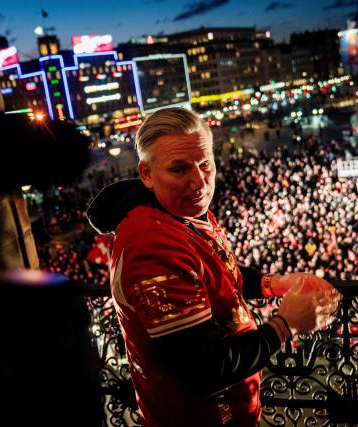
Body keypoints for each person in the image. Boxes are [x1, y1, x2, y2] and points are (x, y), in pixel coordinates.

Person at [86, 107, 341, 427]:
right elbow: (205, 370)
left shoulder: (180, 212)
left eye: (205, 164)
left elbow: (216, 270)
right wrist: (285, 324)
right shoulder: (152, 248)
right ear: (147, 173)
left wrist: (271, 284)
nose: (199, 182)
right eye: (179, 169)